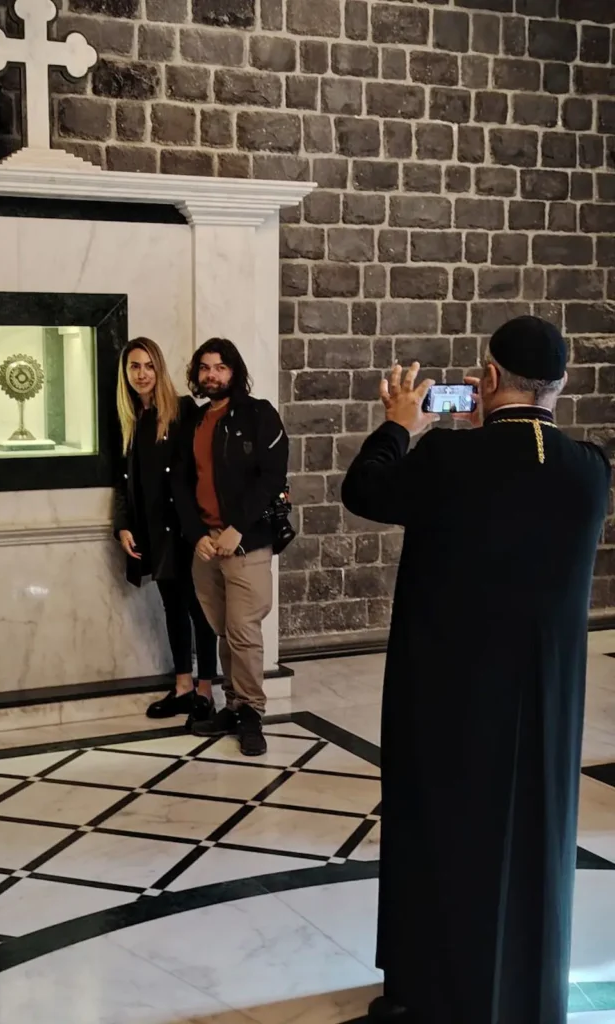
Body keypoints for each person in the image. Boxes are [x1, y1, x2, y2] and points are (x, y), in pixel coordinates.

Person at [341, 316, 611, 1024]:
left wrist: (401, 424)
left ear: (486, 379)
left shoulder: (448, 460)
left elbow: (364, 490)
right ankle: (528, 994)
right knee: (535, 847)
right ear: (559, 384)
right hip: (547, 707)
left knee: (446, 840)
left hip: (450, 699)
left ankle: (430, 994)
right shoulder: (591, 470)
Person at [172, 339, 288, 758]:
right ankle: (234, 705)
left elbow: (272, 476)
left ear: (234, 371)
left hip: (246, 544)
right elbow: (181, 484)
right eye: (204, 368)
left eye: (219, 367)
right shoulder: (196, 422)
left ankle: (252, 715)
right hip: (206, 547)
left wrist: (238, 528)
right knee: (224, 629)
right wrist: (195, 534)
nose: (211, 375)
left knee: (243, 631)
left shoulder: (259, 415)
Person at [113, 338, 217, 725]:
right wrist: (123, 525)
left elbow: (202, 469)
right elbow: (122, 480)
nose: (142, 374)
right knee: (172, 608)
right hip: (153, 531)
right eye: (134, 367)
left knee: (199, 608)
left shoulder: (183, 411)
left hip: (187, 528)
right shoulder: (129, 419)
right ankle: (184, 686)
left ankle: (206, 690)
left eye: (148, 366)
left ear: (159, 369)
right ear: (125, 374)